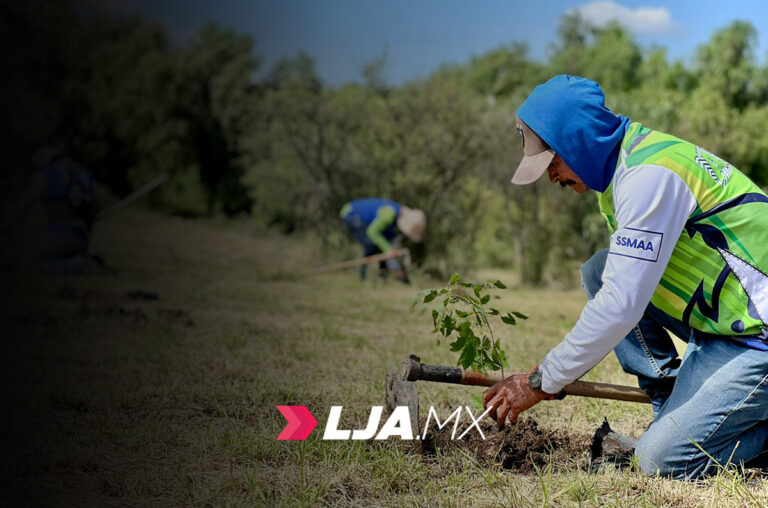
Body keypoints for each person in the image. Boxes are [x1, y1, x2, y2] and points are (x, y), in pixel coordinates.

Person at [482, 75, 768, 479]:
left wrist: (540, 381)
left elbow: (621, 304)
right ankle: (670, 405)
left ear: (578, 143)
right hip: (727, 324)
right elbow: (619, 281)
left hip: (757, 338)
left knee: (662, 462)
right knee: (600, 269)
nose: (552, 178)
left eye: (553, 163)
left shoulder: (649, 176)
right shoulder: (627, 165)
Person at [2, 146, 95, 274]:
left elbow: (21, 207)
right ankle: (77, 261)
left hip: (60, 235)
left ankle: (78, 265)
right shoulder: (83, 172)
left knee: (27, 266)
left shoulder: (46, 174)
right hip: (84, 237)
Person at [339, 198, 426, 283]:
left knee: (381, 246)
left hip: (361, 219)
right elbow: (372, 232)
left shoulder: (396, 226)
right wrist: (388, 249)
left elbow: (388, 246)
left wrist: (389, 251)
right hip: (351, 213)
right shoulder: (389, 214)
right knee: (370, 245)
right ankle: (361, 276)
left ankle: (382, 277)